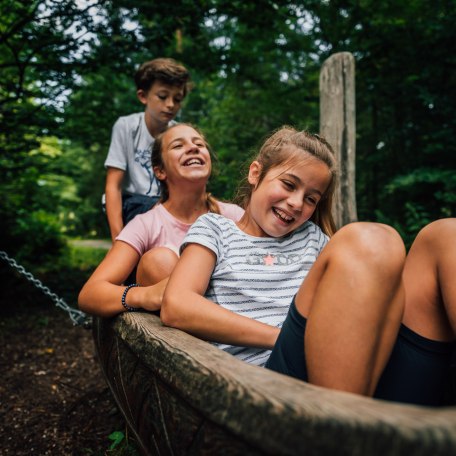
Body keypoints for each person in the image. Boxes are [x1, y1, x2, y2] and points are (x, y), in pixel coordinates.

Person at [161, 125, 456, 406]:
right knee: (370, 238)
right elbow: (177, 305)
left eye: (311, 198)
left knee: (445, 234)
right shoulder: (216, 229)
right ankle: (338, 431)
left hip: (363, 374)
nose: (296, 203)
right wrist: (285, 337)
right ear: (256, 173)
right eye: (289, 184)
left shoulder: (314, 240)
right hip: (273, 382)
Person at [78, 123, 244, 317]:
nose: (193, 148)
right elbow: (90, 294)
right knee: (159, 260)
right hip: (185, 337)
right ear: (160, 171)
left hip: (241, 320)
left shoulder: (234, 216)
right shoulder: (146, 224)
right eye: (178, 146)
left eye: (199, 143)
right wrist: (145, 294)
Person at [104, 57, 192, 241]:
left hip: (166, 206)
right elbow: (113, 186)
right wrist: (118, 240)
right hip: (132, 203)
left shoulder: (178, 133)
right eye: (162, 96)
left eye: (177, 99)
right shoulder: (127, 126)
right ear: (143, 96)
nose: (170, 105)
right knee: (157, 210)